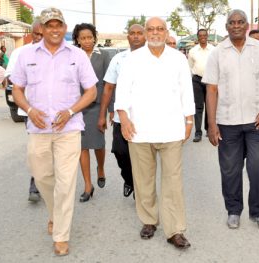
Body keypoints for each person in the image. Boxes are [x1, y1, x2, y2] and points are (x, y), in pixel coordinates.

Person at [10, 7, 97, 256]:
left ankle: (61, 234)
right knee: (43, 177)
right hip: (38, 129)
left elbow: (91, 91)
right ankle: (54, 214)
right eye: (50, 25)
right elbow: (17, 89)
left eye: (59, 25)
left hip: (68, 129)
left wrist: (70, 111)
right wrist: (28, 108)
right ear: (43, 28)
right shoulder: (26, 54)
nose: (55, 29)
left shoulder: (77, 56)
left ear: (65, 28)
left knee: (66, 182)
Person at [115, 17, 195, 249]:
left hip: (171, 130)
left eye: (160, 29)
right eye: (151, 29)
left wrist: (189, 120)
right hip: (139, 130)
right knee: (143, 180)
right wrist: (123, 119)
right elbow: (122, 91)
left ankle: (174, 229)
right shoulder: (133, 59)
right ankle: (149, 220)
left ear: (166, 32)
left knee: (173, 181)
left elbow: (186, 91)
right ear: (146, 32)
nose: (155, 33)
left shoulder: (178, 59)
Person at [203, 9, 259, 232]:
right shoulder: (217, 53)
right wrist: (212, 124)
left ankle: (258, 212)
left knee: (257, 168)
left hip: (257, 122)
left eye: (240, 22)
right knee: (230, 170)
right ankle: (233, 210)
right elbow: (211, 89)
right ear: (227, 27)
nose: (236, 25)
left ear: (246, 25)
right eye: (232, 22)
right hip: (227, 122)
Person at [97, 24, 146, 198]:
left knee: (143, 158)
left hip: (146, 118)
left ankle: (141, 190)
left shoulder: (154, 58)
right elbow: (108, 87)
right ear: (128, 37)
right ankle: (130, 180)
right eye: (132, 33)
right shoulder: (119, 59)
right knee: (120, 151)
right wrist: (102, 114)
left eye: (140, 33)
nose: (136, 36)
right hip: (121, 117)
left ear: (145, 35)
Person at [5, 19, 44, 203]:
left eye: (42, 35)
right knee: (37, 150)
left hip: (56, 112)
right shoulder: (20, 53)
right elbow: (11, 82)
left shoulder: (58, 53)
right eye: (36, 34)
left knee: (51, 151)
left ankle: (48, 183)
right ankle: (35, 185)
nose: (39, 38)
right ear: (31, 34)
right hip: (31, 112)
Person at [72, 23, 111, 202]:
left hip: (97, 106)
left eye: (90, 37)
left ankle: (100, 168)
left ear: (94, 37)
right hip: (77, 107)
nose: (87, 41)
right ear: (77, 40)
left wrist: (109, 110)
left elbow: (110, 84)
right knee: (82, 146)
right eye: (83, 38)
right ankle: (88, 185)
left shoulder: (103, 56)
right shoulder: (72, 56)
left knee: (98, 144)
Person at [188, 29, 214, 142]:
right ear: (197, 37)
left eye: (204, 35)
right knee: (198, 107)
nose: (202, 37)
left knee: (209, 105)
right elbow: (190, 66)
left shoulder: (213, 50)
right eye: (200, 35)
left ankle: (208, 130)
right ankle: (198, 132)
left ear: (207, 36)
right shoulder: (193, 51)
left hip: (210, 80)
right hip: (197, 80)